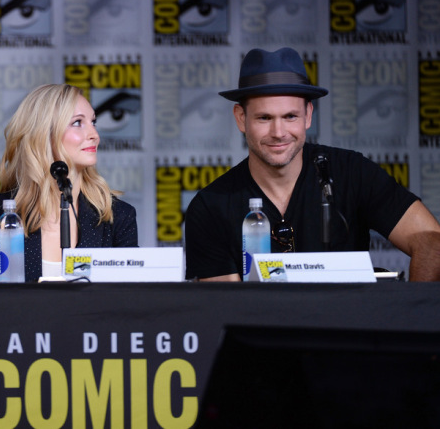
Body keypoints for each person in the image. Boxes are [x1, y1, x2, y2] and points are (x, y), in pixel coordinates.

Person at [185, 47, 440, 282]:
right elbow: (224, 304)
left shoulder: (353, 172)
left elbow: (432, 241)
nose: (278, 132)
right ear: (241, 118)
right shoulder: (211, 206)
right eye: (264, 118)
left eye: (290, 116)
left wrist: (414, 308)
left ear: (308, 115)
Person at [0, 83, 138, 282]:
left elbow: (128, 297)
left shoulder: (118, 216)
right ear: (43, 133)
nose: (95, 135)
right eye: (77, 123)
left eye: (93, 122)